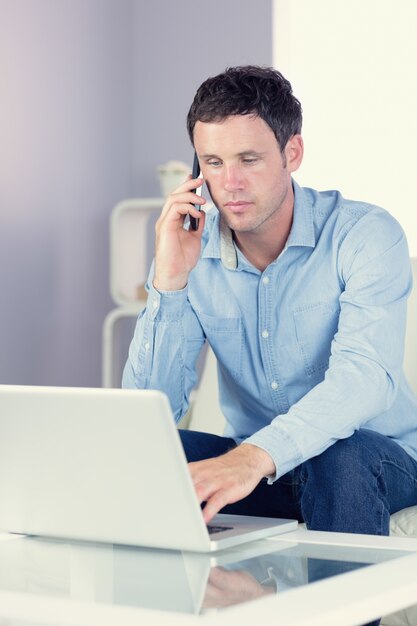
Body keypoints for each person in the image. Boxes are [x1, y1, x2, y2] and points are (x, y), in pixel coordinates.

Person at [123, 65, 417, 539]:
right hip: (260, 470)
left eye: (249, 159)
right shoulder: (193, 251)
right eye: (214, 163)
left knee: (338, 458)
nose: (230, 184)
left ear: (292, 152)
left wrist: (251, 457)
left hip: (371, 459)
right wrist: (170, 280)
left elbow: (363, 380)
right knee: (133, 452)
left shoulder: (364, 234)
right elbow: (146, 409)